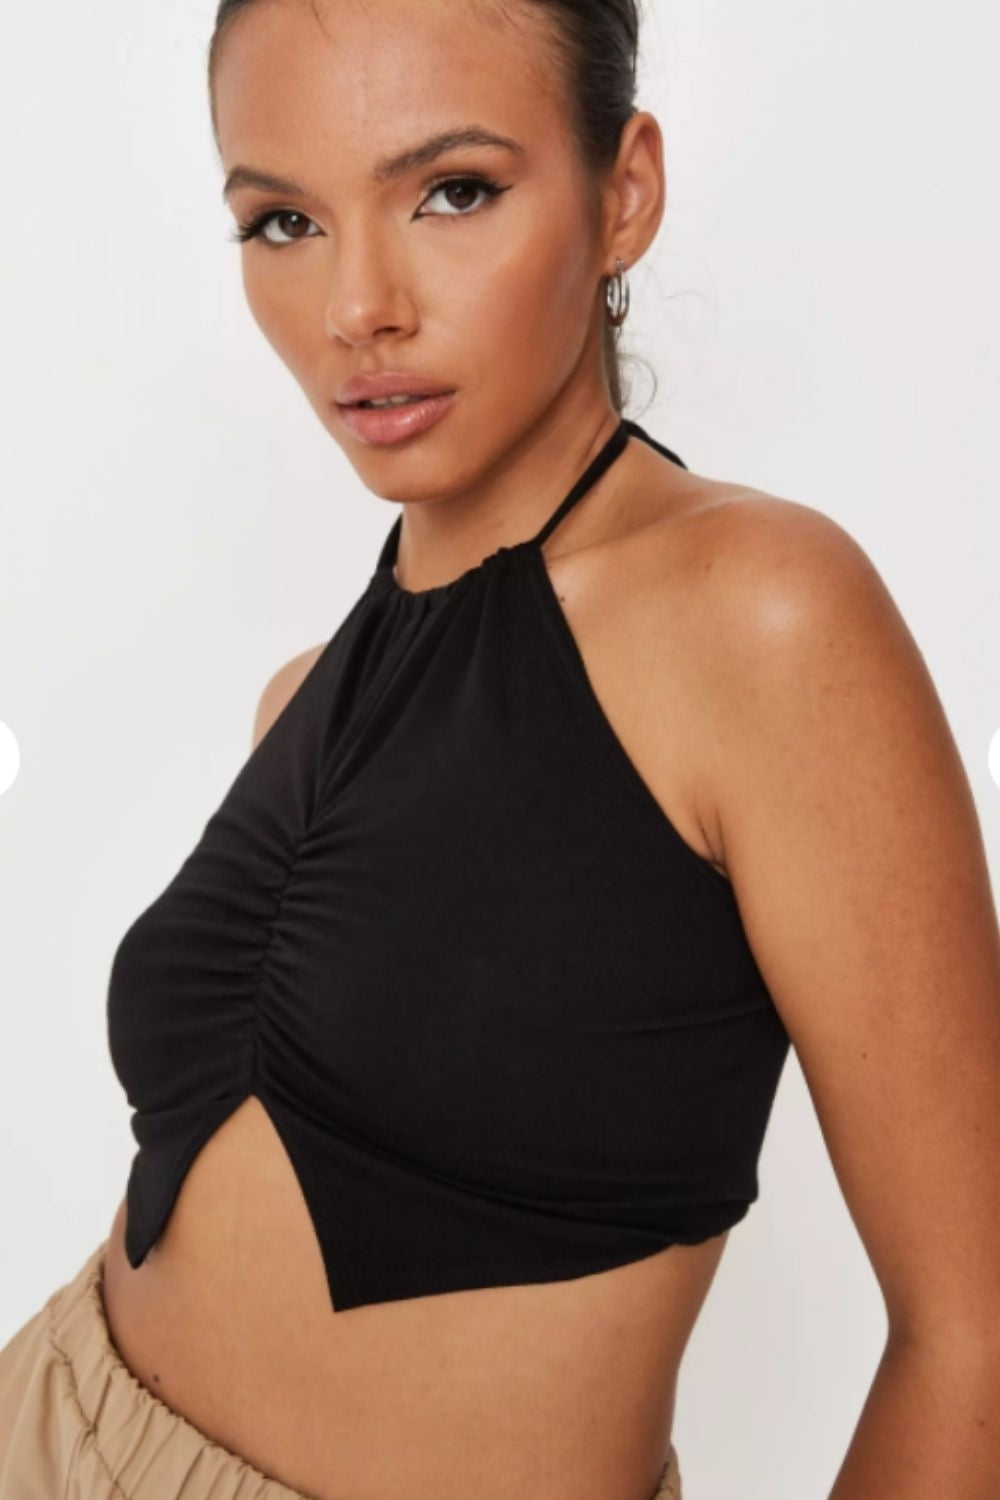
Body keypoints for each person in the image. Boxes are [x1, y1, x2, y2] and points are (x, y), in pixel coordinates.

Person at [4, 2, 1000, 1498]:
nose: (358, 307)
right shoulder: (296, 701)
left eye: (453, 191)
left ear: (624, 193)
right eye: (283, 222)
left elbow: (976, 1329)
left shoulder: (762, 618)